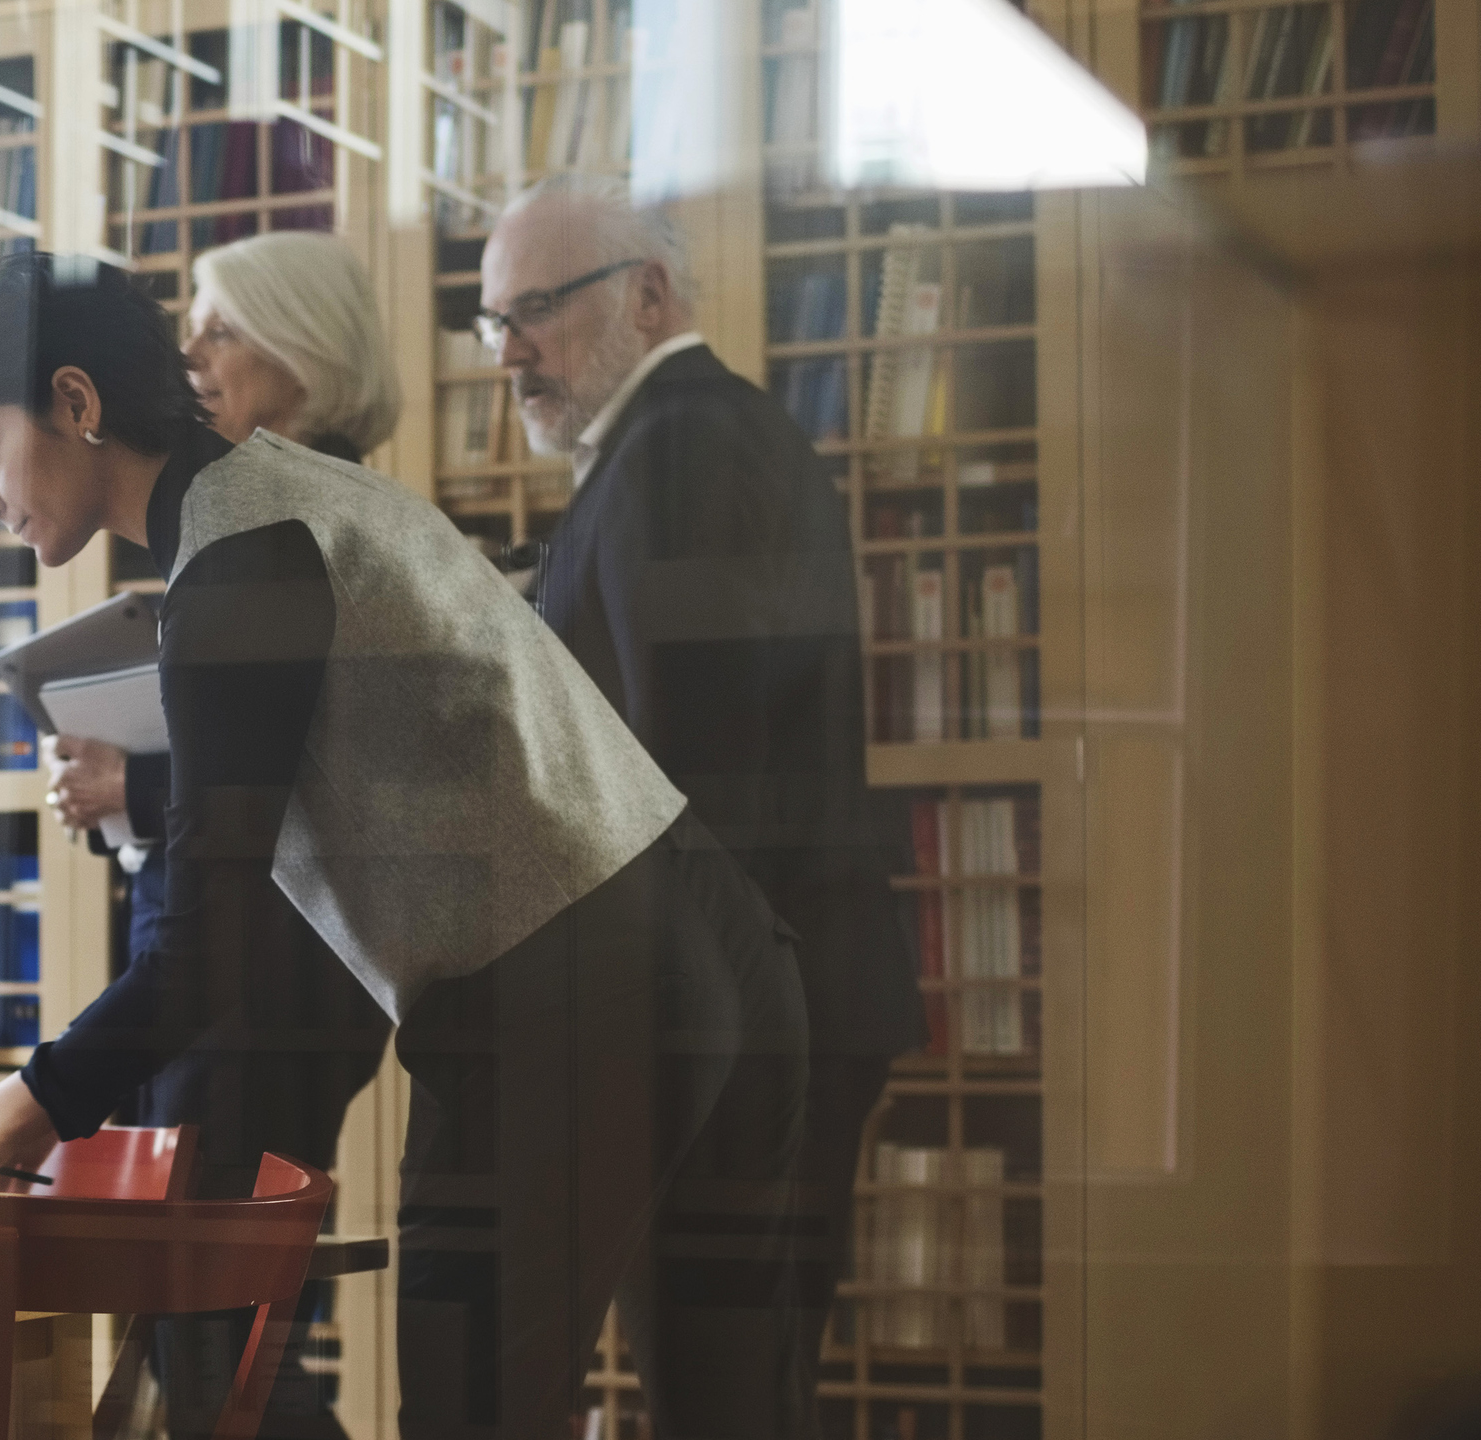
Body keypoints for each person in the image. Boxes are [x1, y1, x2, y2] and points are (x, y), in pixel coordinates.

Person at [0, 252, 813, 1440]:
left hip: (560, 997)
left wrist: (6, 1115)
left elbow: (206, 949)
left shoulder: (236, 564)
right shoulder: (303, 496)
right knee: (728, 1410)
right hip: (715, 941)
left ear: (75, 403)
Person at [485, 173, 930, 1431]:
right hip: (734, 1014)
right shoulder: (669, 446)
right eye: (490, 321)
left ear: (646, 294)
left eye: (533, 311)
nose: (507, 351)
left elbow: (688, 779)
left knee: (723, 1406)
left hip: (730, 1029)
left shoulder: (679, 448)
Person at [42, 230, 397, 1440]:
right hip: (238, 968)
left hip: (265, 979)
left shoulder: (294, 522)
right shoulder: (249, 511)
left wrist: (133, 793)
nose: (189, 355)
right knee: (205, 1333)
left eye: (222, 327)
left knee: (213, 1333)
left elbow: (317, 784)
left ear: (308, 352)